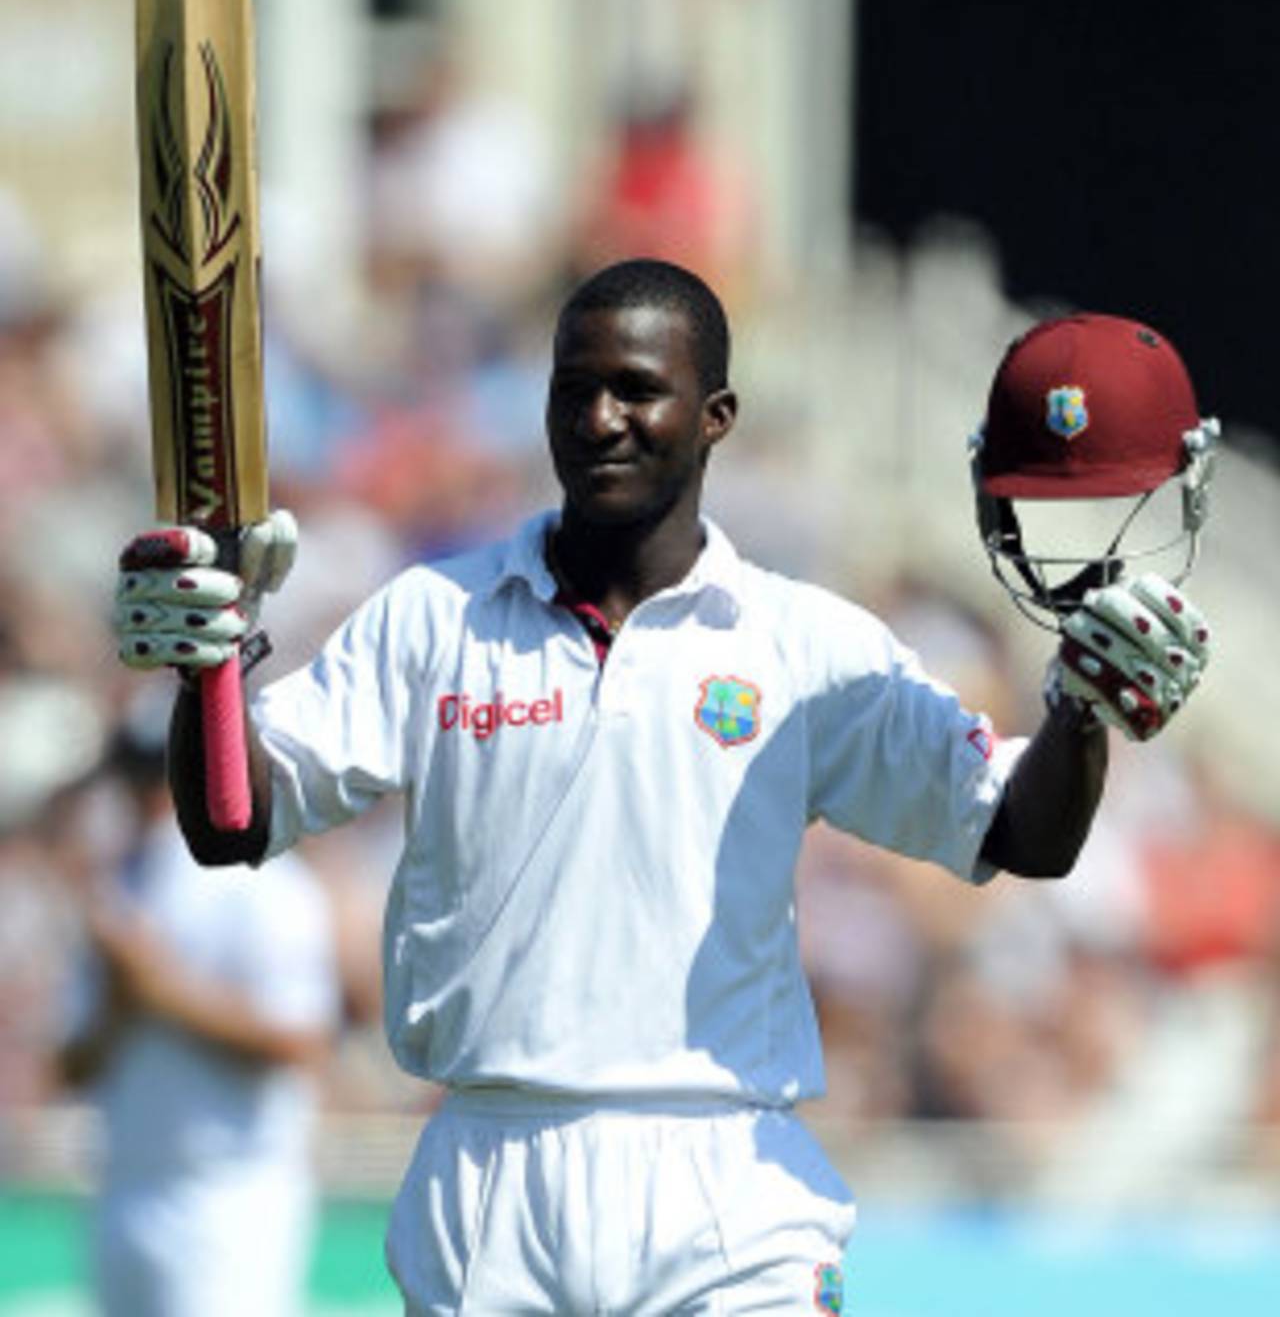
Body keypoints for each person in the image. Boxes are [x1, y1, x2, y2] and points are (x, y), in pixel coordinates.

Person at [113, 258, 1211, 1314]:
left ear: (716, 414)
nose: (599, 420)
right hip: (489, 1173)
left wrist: (1078, 712)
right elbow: (233, 818)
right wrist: (209, 666)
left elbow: (1019, 831)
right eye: (574, 388)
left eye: (637, 389)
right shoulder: (430, 615)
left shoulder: (804, 642)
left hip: (725, 1180)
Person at [52, 690, 339, 1317]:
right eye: (135, 778)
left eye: (156, 777)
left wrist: (160, 992)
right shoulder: (118, 886)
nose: (146, 800)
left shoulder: (264, 885)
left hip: (231, 1194)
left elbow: (301, 1039)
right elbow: (71, 1064)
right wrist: (123, 1004)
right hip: (127, 1179)